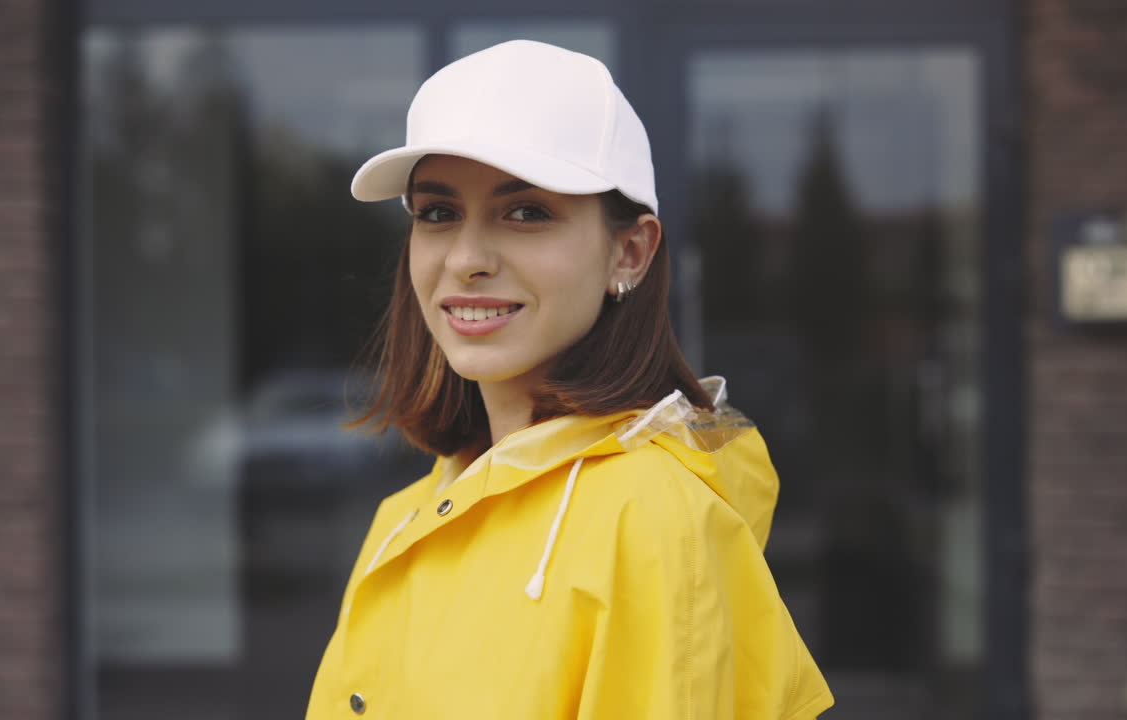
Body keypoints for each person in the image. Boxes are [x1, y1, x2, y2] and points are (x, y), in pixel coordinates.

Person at [305, 39, 833, 719]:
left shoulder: (650, 523)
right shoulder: (405, 518)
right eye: (438, 213)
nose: (466, 259)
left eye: (526, 212)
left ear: (631, 251)